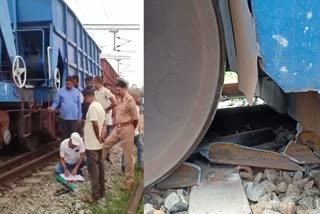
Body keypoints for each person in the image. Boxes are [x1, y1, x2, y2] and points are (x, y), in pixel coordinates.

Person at [102, 79, 138, 190]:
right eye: (116, 90)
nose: (117, 92)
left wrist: (129, 128)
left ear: (124, 89)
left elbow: (135, 119)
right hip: (117, 129)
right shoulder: (119, 100)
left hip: (127, 128)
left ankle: (129, 181)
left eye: (119, 90)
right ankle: (99, 170)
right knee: (105, 144)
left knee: (128, 156)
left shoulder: (130, 101)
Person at [83, 89, 106, 203]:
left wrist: (97, 136)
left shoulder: (92, 107)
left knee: (93, 170)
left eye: (85, 98)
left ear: (88, 96)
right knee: (100, 167)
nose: (84, 100)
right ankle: (102, 191)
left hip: (92, 144)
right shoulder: (100, 106)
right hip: (99, 144)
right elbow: (104, 123)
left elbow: (95, 123)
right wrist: (102, 136)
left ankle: (95, 195)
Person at [121, 94, 144, 172]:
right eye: (138, 98)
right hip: (131, 132)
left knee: (139, 148)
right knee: (132, 149)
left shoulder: (136, 107)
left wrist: (139, 129)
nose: (140, 99)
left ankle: (137, 166)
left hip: (135, 132)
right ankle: (137, 166)